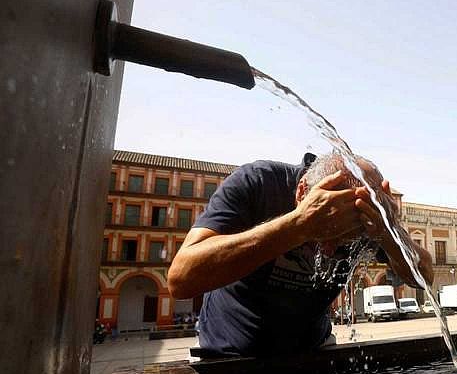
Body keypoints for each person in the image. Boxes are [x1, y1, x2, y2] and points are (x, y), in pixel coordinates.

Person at [167, 152, 433, 356]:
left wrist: (388, 232)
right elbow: (181, 279)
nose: (330, 250)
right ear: (303, 192)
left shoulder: (363, 215)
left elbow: (425, 275)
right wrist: (299, 226)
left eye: (343, 240)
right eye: (327, 233)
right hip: (226, 353)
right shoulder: (259, 183)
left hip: (314, 349)